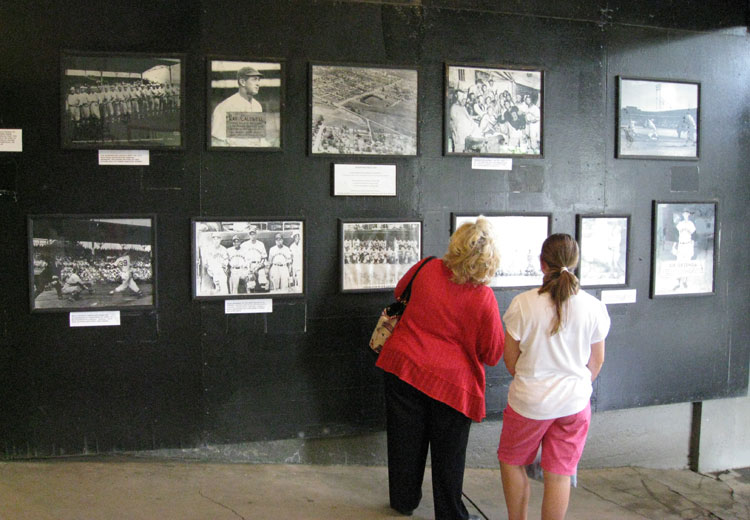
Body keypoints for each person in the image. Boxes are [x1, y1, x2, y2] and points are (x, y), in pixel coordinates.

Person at [375, 217, 505, 520]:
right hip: (451, 385)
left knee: (404, 442)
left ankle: (403, 501)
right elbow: (493, 352)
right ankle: (450, 514)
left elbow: (399, 292)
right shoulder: (483, 297)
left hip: (404, 367)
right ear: (488, 258)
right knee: (449, 456)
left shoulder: (427, 267)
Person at [497, 233, 611, 520]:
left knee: (512, 462)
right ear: (575, 263)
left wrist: (531, 377)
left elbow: (510, 360)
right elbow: (596, 361)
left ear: (541, 263)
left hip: (528, 403)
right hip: (573, 404)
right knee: (559, 474)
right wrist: (575, 385)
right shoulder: (594, 307)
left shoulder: (523, 304)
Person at [211, 66, 267, 147]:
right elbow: (217, 140)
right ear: (242, 82)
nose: (258, 83)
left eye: (259, 80)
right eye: (254, 79)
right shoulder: (225, 106)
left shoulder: (257, 106)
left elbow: (259, 139)